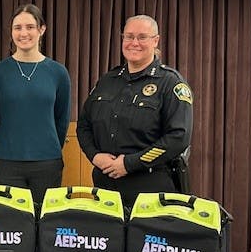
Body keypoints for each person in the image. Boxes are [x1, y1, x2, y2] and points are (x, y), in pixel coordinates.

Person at [76, 14, 193, 209]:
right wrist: (95, 156)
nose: (134, 43)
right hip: (105, 187)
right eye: (129, 36)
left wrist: (130, 163)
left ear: (155, 40)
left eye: (142, 37)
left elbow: (178, 137)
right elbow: (84, 125)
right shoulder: (107, 81)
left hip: (149, 188)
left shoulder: (171, 83)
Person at [0, 3, 71, 207]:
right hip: (6, 163)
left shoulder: (58, 73)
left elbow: (61, 119)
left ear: (42, 29)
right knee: (11, 227)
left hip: (47, 163)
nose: (24, 33)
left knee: (43, 223)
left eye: (30, 27)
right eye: (17, 27)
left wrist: (48, 146)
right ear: (11, 32)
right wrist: (1, 145)